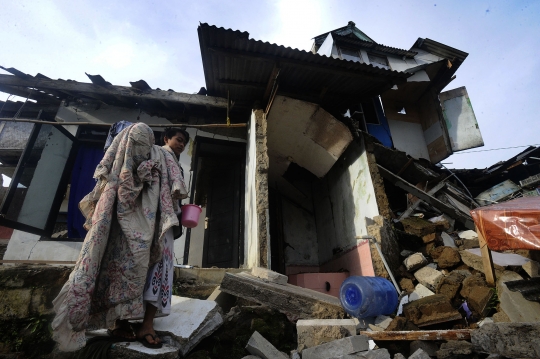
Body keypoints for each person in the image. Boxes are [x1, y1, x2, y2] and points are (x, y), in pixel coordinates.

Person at [52, 123, 189, 352]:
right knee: (121, 270)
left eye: (184, 143)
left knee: (156, 271)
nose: (181, 145)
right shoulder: (143, 157)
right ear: (165, 139)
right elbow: (124, 190)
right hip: (129, 224)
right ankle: (119, 321)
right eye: (178, 140)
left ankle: (146, 324)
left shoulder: (166, 162)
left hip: (159, 226)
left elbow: (169, 194)